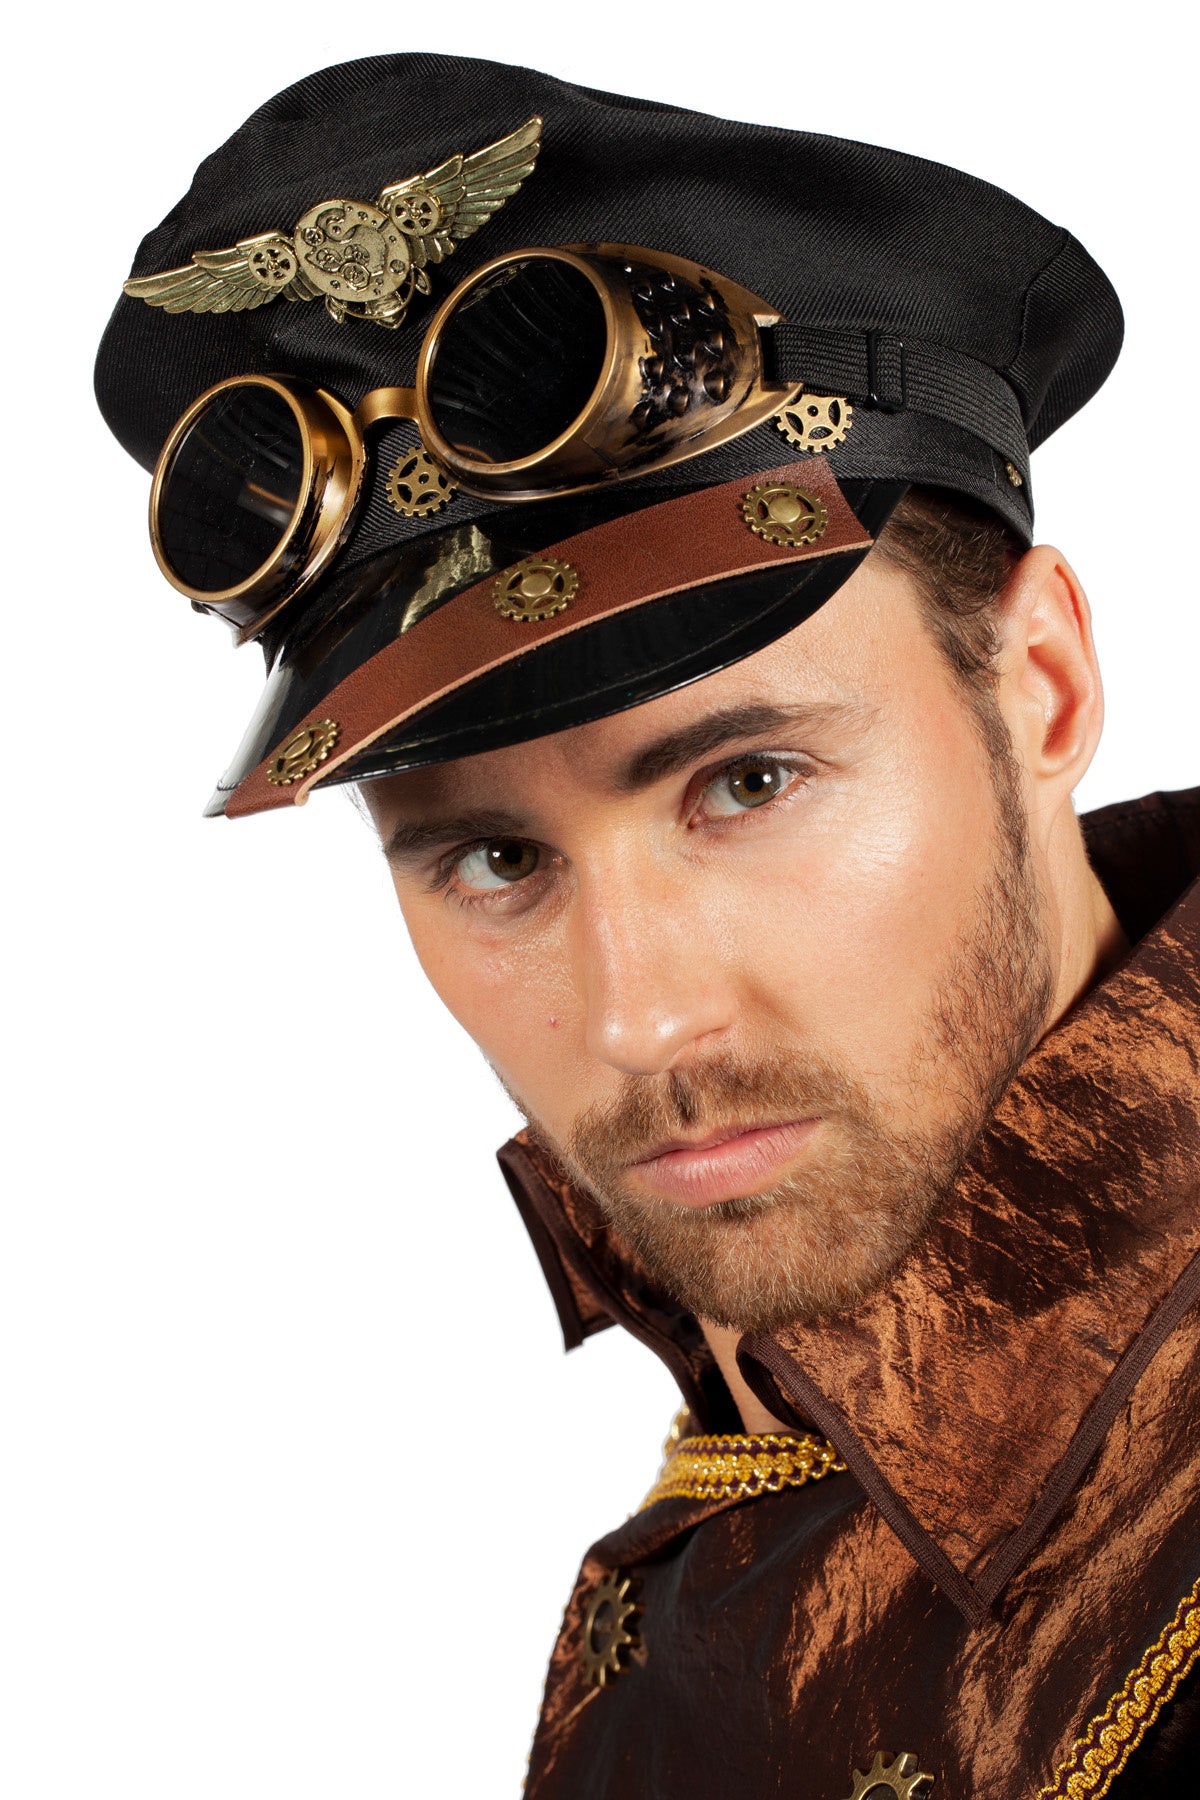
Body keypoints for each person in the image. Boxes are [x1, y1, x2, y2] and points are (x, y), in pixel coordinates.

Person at [96, 50, 1199, 1799]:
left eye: (748, 782)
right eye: (493, 860)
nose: (637, 1023)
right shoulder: (751, 1456)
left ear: (1043, 687)